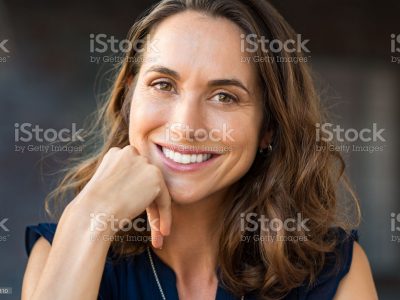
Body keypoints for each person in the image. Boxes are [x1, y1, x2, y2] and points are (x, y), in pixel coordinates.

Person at [22, 0, 378, 299]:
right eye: (164, 84)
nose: (185, 126)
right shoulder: (64, 247)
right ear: (130, 98)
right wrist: (91, 216)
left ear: (268, 128)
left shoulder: (333, 273)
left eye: (224, 96)